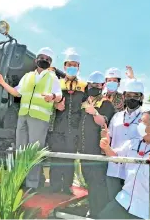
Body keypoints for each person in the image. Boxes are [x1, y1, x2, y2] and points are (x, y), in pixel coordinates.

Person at [0, 47, 62, 191]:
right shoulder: (28, 76)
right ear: (36, 60)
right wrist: (2, 82)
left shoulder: (52, 78)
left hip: (39, 118)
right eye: (42, 57)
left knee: (33, 152)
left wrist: (52, 97)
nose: (44, 60)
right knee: (20, 151)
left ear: (50, 63)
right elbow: (17, 93)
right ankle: (20, 181)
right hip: (23, 116)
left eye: (48, 59)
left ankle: (32, 184)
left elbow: (59, 95)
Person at [47, 52, 87, 194]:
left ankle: (67, 187)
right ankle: (54, 187)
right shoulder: (56, 83)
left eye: (75, 66)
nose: (72, 67)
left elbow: (86, 105)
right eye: (69, 65)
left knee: (70, 159)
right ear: (64, 66)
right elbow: (47, 101)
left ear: (78, 67)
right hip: (57, 127)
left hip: (74, 129)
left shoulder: (83, 86)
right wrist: (55, 106)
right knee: (56, 158)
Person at [78, 71, 115, 218]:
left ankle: (97, 213)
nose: (94, 87)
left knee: (97, 184)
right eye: (92, 84)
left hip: (97, 151)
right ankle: (93, 209)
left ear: (102, 86)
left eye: (98, 85)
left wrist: (94, 113)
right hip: (84, 150)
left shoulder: (106, 103)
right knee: (89, 182)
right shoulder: (84, 102)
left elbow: (104, 122)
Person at [105, 79, 145, 201]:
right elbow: (108, 136)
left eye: (135, 96)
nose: (131, 98)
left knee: (131, 205)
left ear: (141, 97)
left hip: (133, 171)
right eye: (128, 95)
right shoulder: (117, 117)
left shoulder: (146, 117)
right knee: (113, 202)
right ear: (123, 96)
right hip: (114, 169)